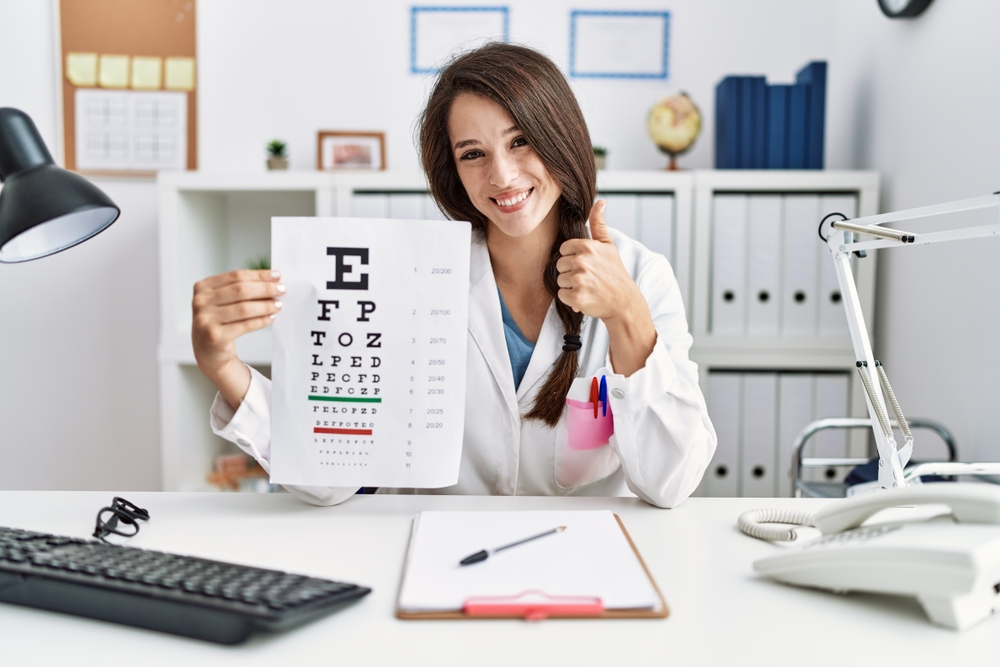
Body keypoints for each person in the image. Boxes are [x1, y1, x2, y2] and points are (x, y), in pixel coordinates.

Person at [192, 43, 716, 508]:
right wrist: (222, 365)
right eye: (473, 154)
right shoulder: (411, 275)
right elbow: (330, 479)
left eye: (520, 141)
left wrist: (627, 314)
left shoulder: (643, 275)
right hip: (433, 558)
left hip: (582, 566)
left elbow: (671, 483)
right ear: (453, 172)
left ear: (560, 138)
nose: (502, 176)